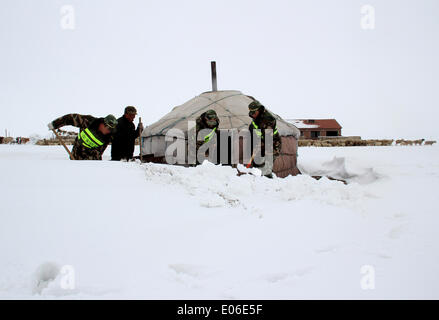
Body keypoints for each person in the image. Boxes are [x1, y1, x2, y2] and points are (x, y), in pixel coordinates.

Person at [48, 113, 117, 160]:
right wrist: (55, 124)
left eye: (112, 130)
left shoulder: (109, 136)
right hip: (76, 159)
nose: (110, 131)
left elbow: (121, 141)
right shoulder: (88, 121)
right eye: (109, 128)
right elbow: (70, 118)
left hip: (94, 165)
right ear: (102, 124)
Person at [248, 100, 282, 177]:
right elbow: (255, 126)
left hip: (272, 144)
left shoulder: (268, 120)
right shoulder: (256, 116)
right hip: (262, 142)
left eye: (254, 112)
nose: (252, 114)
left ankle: (268, 184)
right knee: (257, 164)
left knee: (267, 167)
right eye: (251, 112)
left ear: (259, 110)